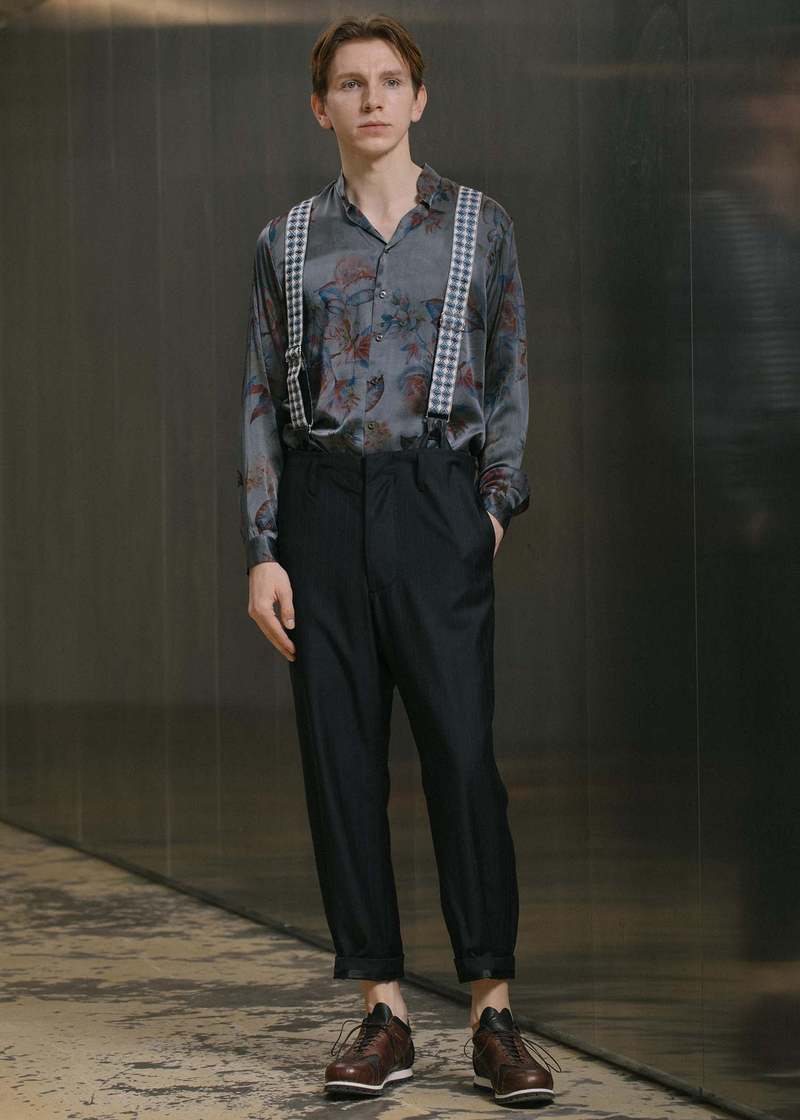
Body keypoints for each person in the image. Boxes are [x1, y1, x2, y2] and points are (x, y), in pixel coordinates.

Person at [238, 12, 559, 1106]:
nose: (370, 99)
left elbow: (509, 372)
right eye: (349, 83)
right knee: (342, 764)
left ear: (418, 99)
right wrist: (264, 546)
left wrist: (490, 508)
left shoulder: (478, 225)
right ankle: (383, 1010)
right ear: (318, 106)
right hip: (321, 509)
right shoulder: (286, 240)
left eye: (388, 81)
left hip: (435, 502)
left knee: (462, 758)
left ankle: (492, 1014)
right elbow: (259, 396)